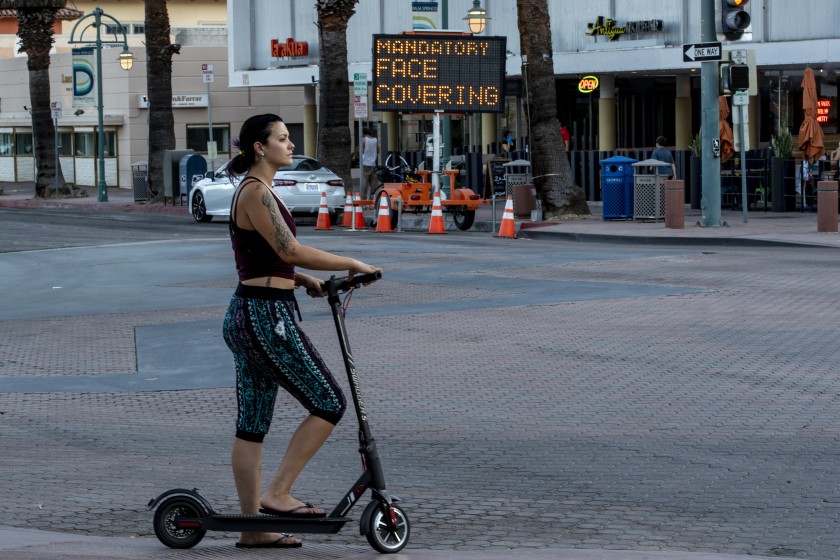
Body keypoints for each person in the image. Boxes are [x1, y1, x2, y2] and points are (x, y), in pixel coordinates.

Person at [222, 114, 380, 549]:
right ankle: (277, 494)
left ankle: (253, 528)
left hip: (251, 311)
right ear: (259, 146)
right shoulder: (256, 191)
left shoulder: (260, 191)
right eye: (283, 139)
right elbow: (289, 249)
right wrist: (352, 262)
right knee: (328, 401)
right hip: (264, 319)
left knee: (251, 425)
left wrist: (303, 280)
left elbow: (265, 259)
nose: (290, 145)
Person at [361, 127, 379, 200]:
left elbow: (361, 150)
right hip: (373, 163)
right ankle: (372, 197)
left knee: (365, 180)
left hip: (365, 163)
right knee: (373, 182)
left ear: (363, 133)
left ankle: (364, 198)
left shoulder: (364, 140)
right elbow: (378, 150)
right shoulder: (375, 140)